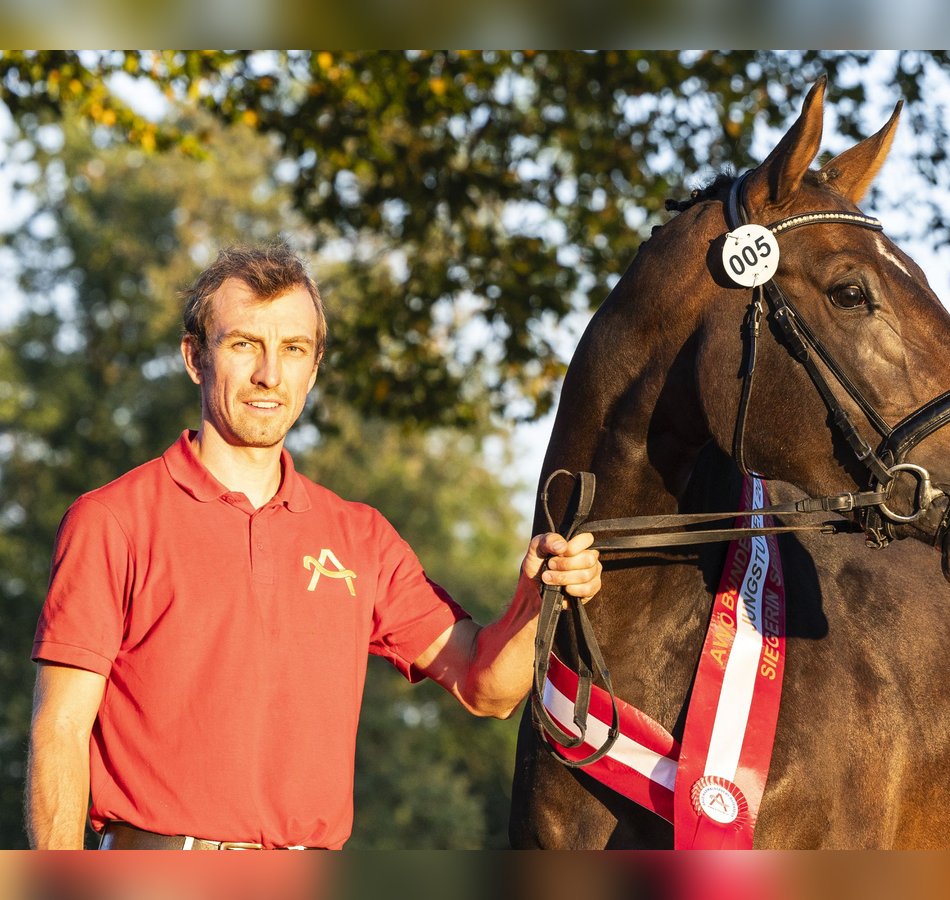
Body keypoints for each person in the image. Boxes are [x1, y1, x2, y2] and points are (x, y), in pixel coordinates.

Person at [24, 244, 601, 850]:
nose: (269, 374)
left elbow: (488, 688)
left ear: (314, 367)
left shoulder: (361, 537)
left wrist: (541, 599)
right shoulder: (112, 520)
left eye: (293, 349)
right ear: (195, 357)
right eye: (244, 343)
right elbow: (59, 730)